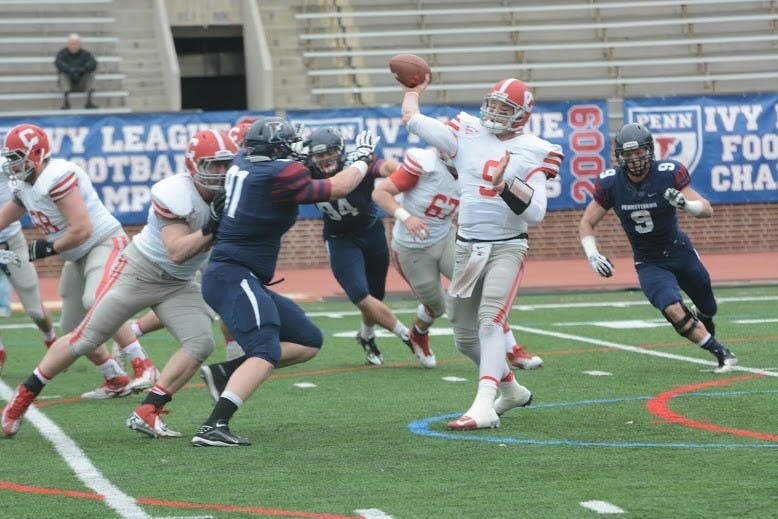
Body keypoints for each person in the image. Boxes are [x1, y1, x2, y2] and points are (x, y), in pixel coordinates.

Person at [1, 129, 237, 439]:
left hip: (179, 283)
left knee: (201, 343)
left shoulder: (237, 192)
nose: (220, 174)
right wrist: (213, 226)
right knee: (83, 336)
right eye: (212, 165)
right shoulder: (175, 192)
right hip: (141, 271)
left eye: (225, 165)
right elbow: (177, 251)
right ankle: (22, 399)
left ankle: (148, 410)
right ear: (193, 165)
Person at [191, 116, 368, 446]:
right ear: (276, 151)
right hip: (233, 274)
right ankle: (213, 426)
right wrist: (361, 159)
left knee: (308, 340)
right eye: (290, 146)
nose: (297, 150)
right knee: (266, 348)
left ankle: (226, 373)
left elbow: (289, 168)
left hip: (239, 275)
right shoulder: (278, 173)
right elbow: (340, 187)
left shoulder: (245, 162)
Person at [401, 77, 564, 430]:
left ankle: (484, 405)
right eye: (493, 104)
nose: (495, 112)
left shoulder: (535, 148)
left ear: (521, 115)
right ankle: (511, 390)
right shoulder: (467, 131)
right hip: (467, 247)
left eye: (505, 108)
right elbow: (414, 120)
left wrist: (505, 185)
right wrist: (413, 89)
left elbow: (535, 213)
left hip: (507, 245)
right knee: (463, 337)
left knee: (490, 320)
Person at [0, 124, 154, 407]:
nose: (12, 163)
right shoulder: (24, 185)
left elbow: (82, 229)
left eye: (16, 156)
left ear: (37, 152)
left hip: (103, 243)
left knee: (97, 300)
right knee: (74, 329)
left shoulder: (57, 175)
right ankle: (114, 377)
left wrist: (47, 247)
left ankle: (142, 364)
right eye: (9, 157)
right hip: (77, 257)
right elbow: (5, 216)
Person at [578, 122, 737, 374]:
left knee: (709, 307)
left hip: (680, 251)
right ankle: (720, 352)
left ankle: (704, 320)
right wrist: (593, 255)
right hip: (649, 262)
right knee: (672, 308)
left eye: (639, 153)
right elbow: (587, 222)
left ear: (649, 151)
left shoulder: (667, 173)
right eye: (628, 155)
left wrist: (686, 204)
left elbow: (706, 209)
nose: (634, 159)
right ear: (620, 157)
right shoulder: (611, 183)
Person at [371, 147, 543, 370]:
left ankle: (512, 350)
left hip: (445, 238)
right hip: (411, 247)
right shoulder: (425, 164)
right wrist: (406, 217)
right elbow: (380, 193)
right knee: (436, 306)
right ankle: (418, 333)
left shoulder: (472, 172)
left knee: (480, 288)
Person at [304, 127, 421, 366]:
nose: (325, 159)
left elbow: (386, 167)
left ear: (341, 151)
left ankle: (366, 336)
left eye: (330, 153)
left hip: (371, 233)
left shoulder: (357, 163)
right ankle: (407, 336)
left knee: (376, 296)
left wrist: (403, 172)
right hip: (340, 238)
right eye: (320, 155)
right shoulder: (305, 171)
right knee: (360, 295)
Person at [0, 158, 60, 375]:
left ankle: (50, 338)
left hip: (11, 242)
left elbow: (31, 181)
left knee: (35, 310)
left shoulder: (4, 165)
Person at [54, 33, 98, 109]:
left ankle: (89, 102)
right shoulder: (62, 54)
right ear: (68, 44)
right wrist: (70, 70)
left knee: (90, 74)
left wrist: (82, 69)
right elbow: (58, 63)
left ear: (79, 44)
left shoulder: (86, 54)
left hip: (82, 83)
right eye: (71, 44)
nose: (73, 46)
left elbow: (93, 63)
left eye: (75, 44)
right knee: (62, 75)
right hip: (69, 83)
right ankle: (66, 102)